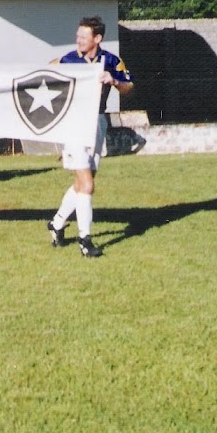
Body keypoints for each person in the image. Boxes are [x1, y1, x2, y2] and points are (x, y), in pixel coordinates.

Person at [47, 16, 133, 258]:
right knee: (87, 185)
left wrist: (114, 80)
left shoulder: (111, 60)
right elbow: (44, 73)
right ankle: (85, 240)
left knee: (82, 183)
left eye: (83, 36)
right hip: (75, 125)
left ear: (97, 38)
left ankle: (57, 223)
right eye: (78, 36)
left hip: (97, 123)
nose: (78, 40)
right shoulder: (67, 60)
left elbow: (129, 87)